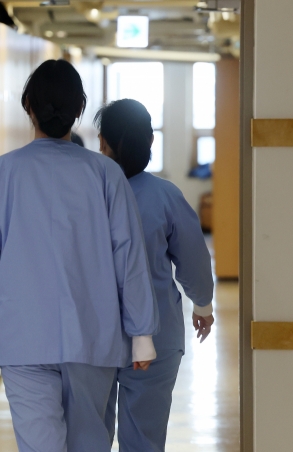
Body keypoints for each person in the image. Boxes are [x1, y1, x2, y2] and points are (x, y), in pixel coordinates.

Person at [0, 60, 159, 452]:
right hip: (93, 334)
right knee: (89, 442)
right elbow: (128, 255)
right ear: (78, 110)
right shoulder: (106, 175)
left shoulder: (1, 174)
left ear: (27, 106)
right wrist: (141, 332)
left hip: (21, 335)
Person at [96, 99, 215, 452]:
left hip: (92, 336)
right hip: (156, 335)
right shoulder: (166, 196)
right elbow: (194, 261)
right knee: (144, 438)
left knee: (89, 435)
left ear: (103, 143)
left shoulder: (87, 195)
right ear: (150, 142)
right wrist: (203, 306)